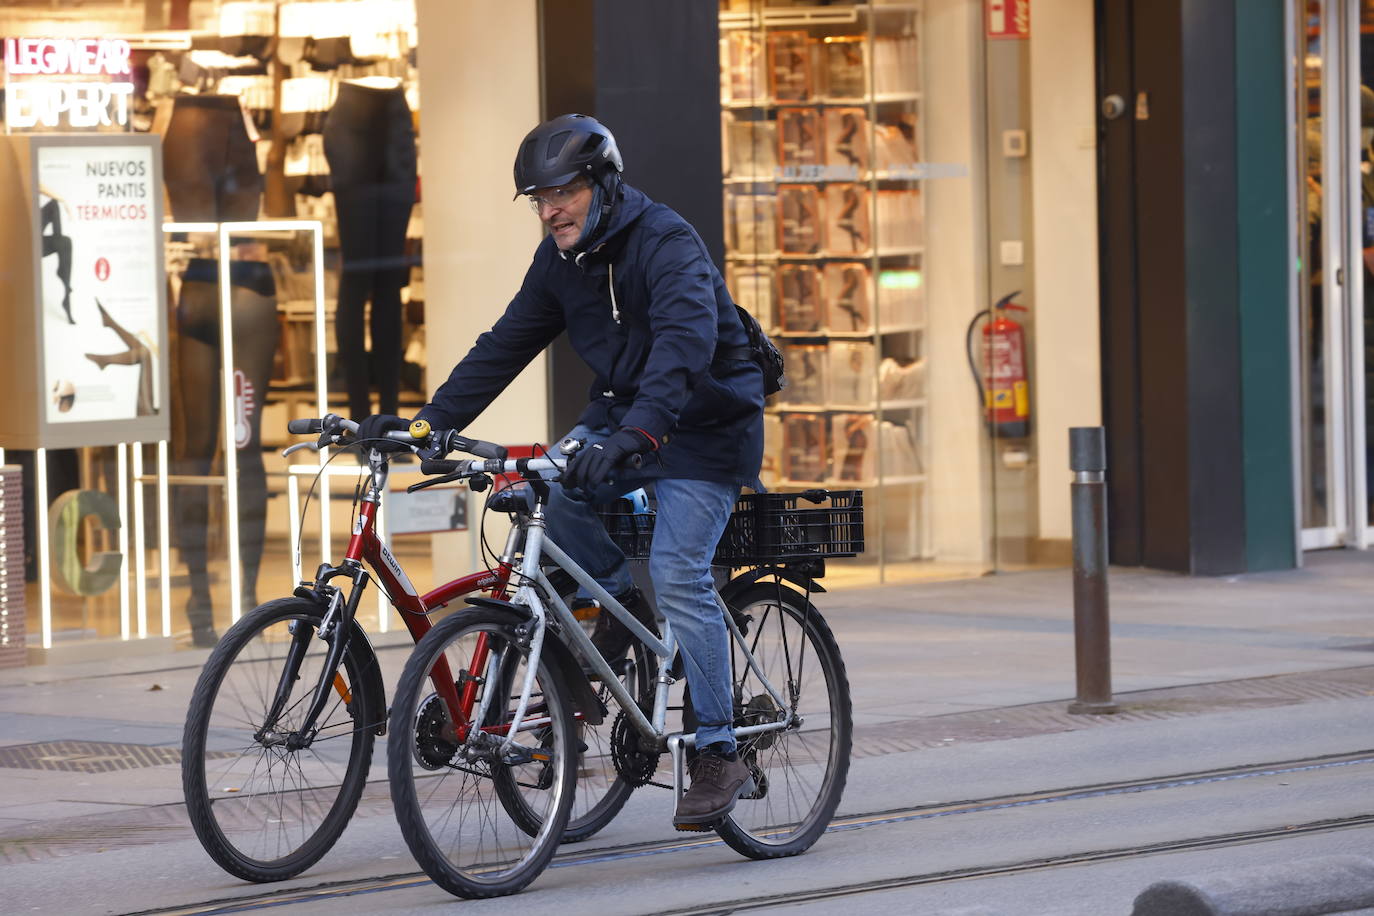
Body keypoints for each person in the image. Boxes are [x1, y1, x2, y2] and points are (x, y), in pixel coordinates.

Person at [356, 113, 764, 831]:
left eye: (562, 193)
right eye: (539, 199)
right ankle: (619, 619)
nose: (549, 211)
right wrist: (430, 421)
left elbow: (684, 349)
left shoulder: (667, 244)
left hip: (703, 431)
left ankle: (718, 749)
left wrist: (640, 431)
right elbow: (505, 343)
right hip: (618, 424)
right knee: (542, 495)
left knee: (676, 570)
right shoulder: (560, 262)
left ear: (603, 184)